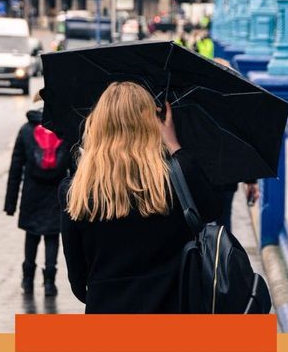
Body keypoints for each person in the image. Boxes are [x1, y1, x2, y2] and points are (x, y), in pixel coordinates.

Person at [60, 81, 220, 314]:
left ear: (97, 125)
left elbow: (77, 282)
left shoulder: (75, 193)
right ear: (151, 125)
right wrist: (174, 145)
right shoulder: (175, 179)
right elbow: (212, 211)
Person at [4, 102, 71, 297]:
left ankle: (27, 278)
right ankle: (49, 282)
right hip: (56, 192)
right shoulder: (64, 130)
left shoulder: (26, 130)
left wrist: (10, 203)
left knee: (32, 234)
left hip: (32, 192)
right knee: (52, 236)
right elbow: (75, 165)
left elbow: (16, 167)